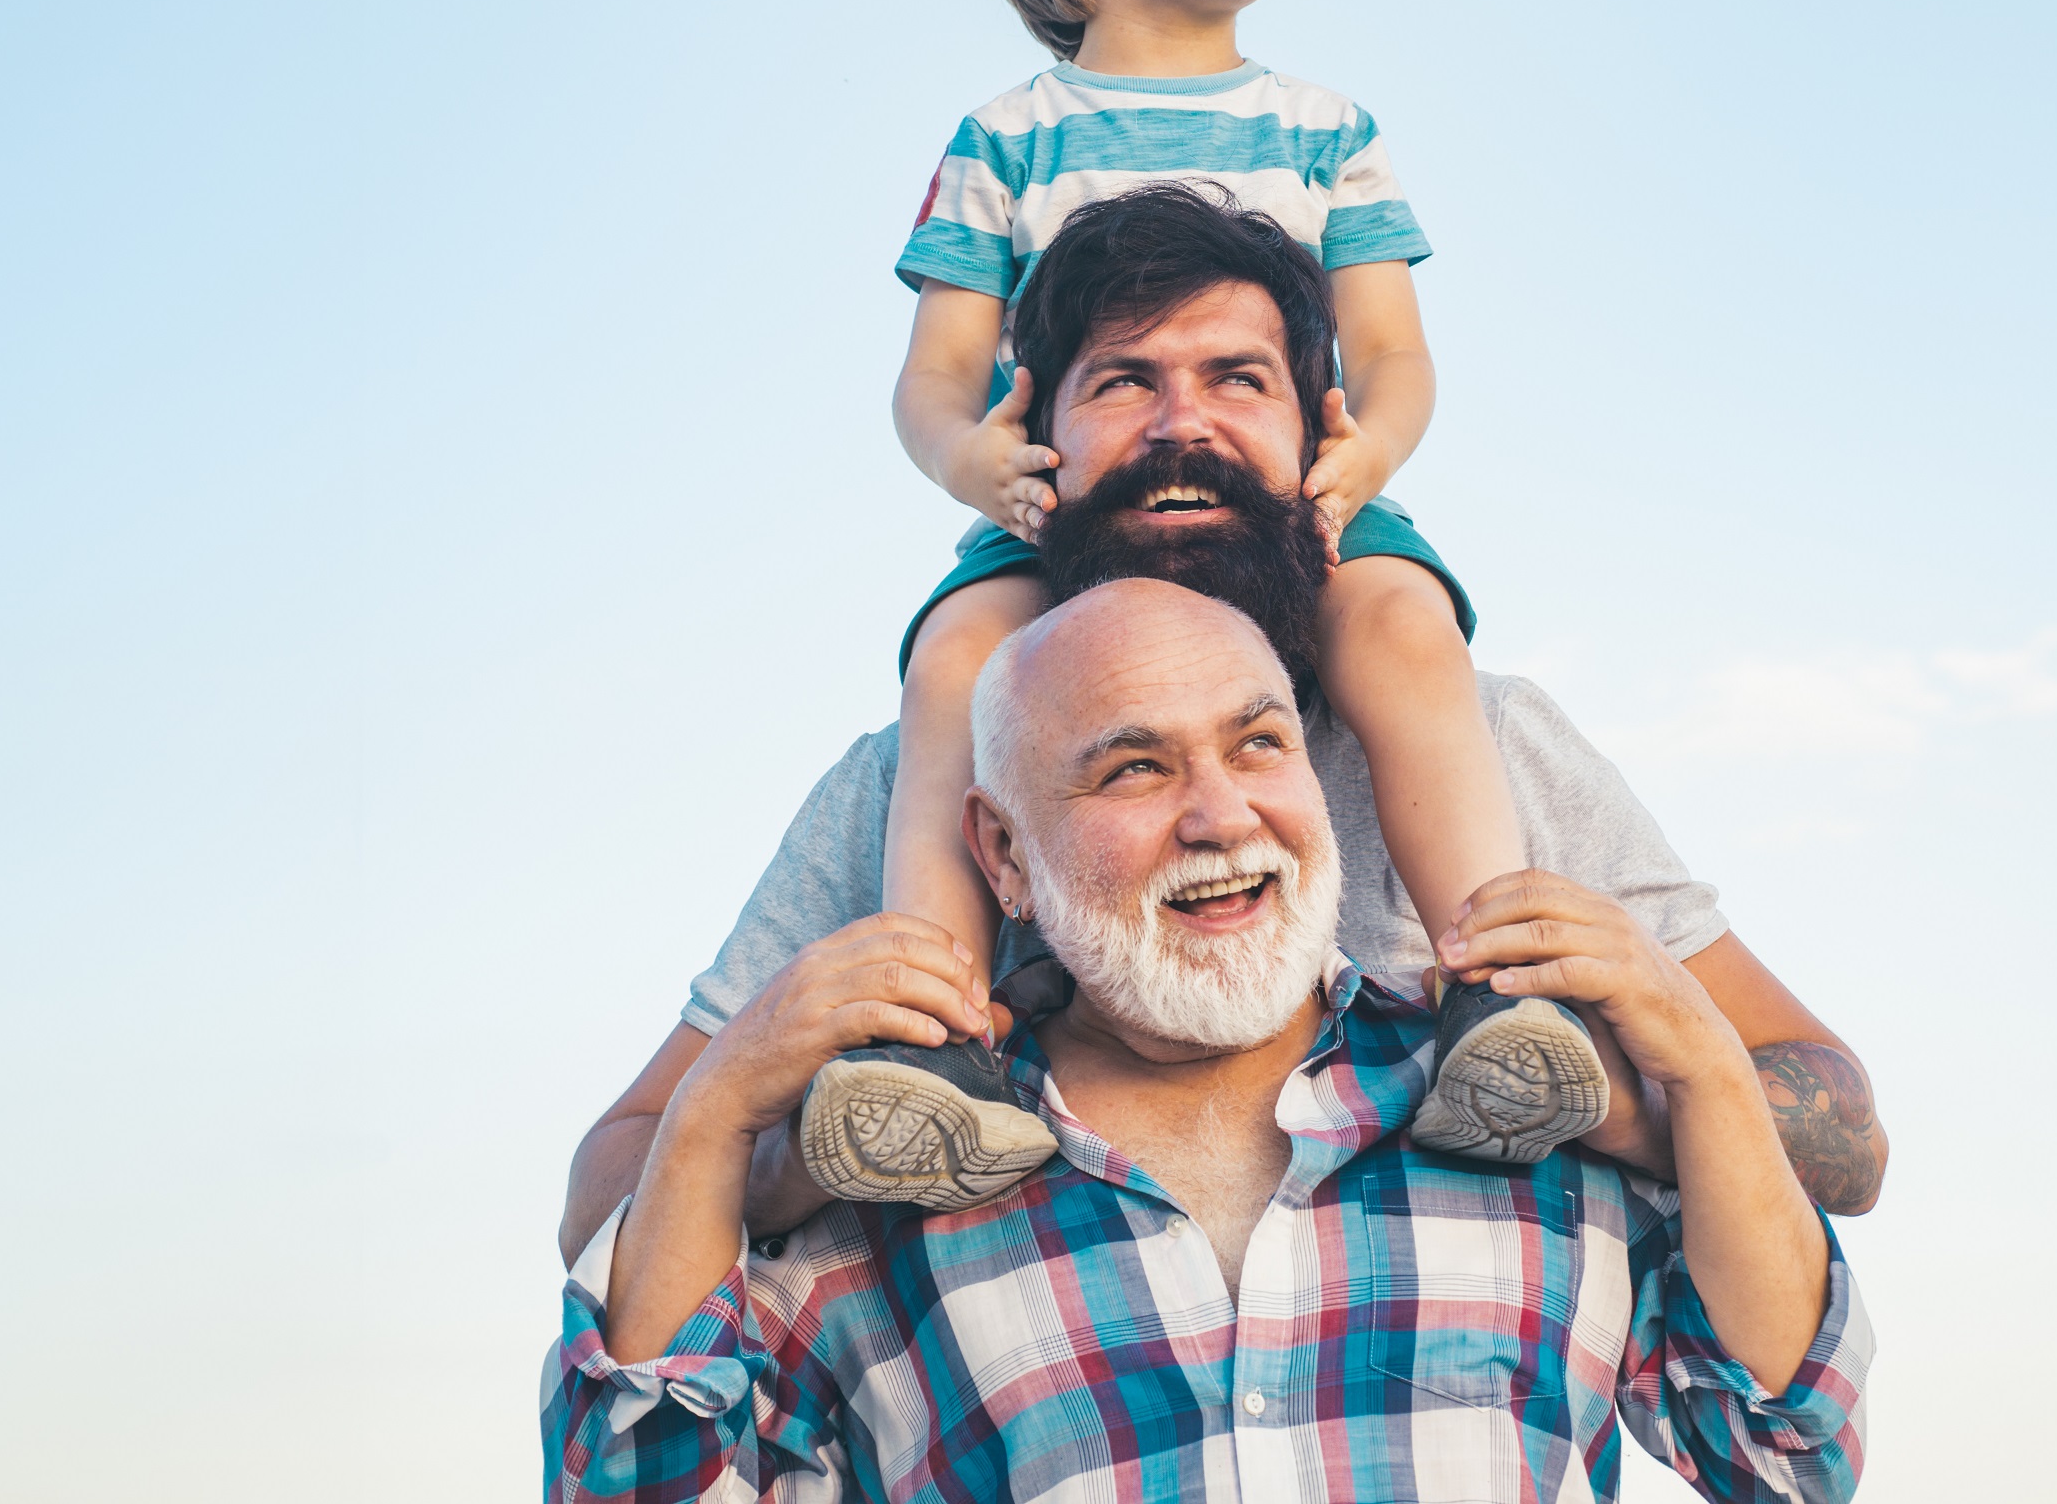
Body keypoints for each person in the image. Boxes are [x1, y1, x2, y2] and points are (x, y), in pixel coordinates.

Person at [560, 185, 1890, 1256]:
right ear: (1039, 439)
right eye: (1122, 383)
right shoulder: (907, 786)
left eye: (1236, 380)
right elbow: (601, 1204)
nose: (1179, 425)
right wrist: (794, 1140)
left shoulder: (1495, 752)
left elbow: (1847, 1141)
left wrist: (1630, 1090)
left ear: (1321, 429)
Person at [544, 579, 1871, 1503]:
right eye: (1134, 768)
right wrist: (717, 1106)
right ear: (1001, 853)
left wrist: (1696, 1057)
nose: (1220, 814)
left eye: (1260, 747)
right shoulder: (877, 1201)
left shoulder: (1530, 1116)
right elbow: (635, 1488)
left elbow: (1783, 1454)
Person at [845, 0, 1609, 1201]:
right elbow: (935, 376)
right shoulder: (1007, 136)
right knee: (954, 661)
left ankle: (1494, 998)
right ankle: (933, 1046)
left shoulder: (1326, 130)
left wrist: (1365, 456)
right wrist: (971, 471)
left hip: (1294, 501)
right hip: (1067, 512)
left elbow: (1390, 352)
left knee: (1400, 623)